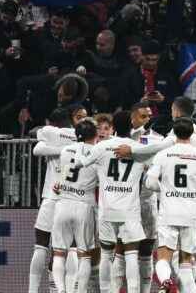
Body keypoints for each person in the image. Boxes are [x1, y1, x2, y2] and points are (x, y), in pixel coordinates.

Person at [76, 111, 147, 293]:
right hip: (129, 210)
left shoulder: (101, 147)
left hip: (107, 209)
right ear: (132, 125)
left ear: (113, 127)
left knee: (106, 254)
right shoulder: (138, 149)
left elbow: (82, 163)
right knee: (131, 255)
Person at [145, 117, 196, 293]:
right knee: (186, 261)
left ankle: (165, 281)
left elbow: (150, 183)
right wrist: (195, 190)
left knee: (163, 256)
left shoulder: (163, 154)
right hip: (191, 212)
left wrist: (164, 190)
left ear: (173, 133)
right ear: (192, 134)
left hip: (169, 211)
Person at [27, 108, 77, 293]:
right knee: (70, 249)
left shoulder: (50, 132)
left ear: (50, 122)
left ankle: (32, 291)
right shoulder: (80, 136)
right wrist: (67, 150)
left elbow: (37, 149)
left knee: (41, 246)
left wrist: (58, 150)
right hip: (73, 200)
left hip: (51, 197)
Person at [50, 118, 100, 293]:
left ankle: (61, 290)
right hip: (84, 206)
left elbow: (65, 174)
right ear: (95, 135)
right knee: (84, 254)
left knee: (58, 253)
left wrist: (60, 185)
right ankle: (80, 291)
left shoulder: (65, 150)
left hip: (63, 203)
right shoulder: (97, 152)